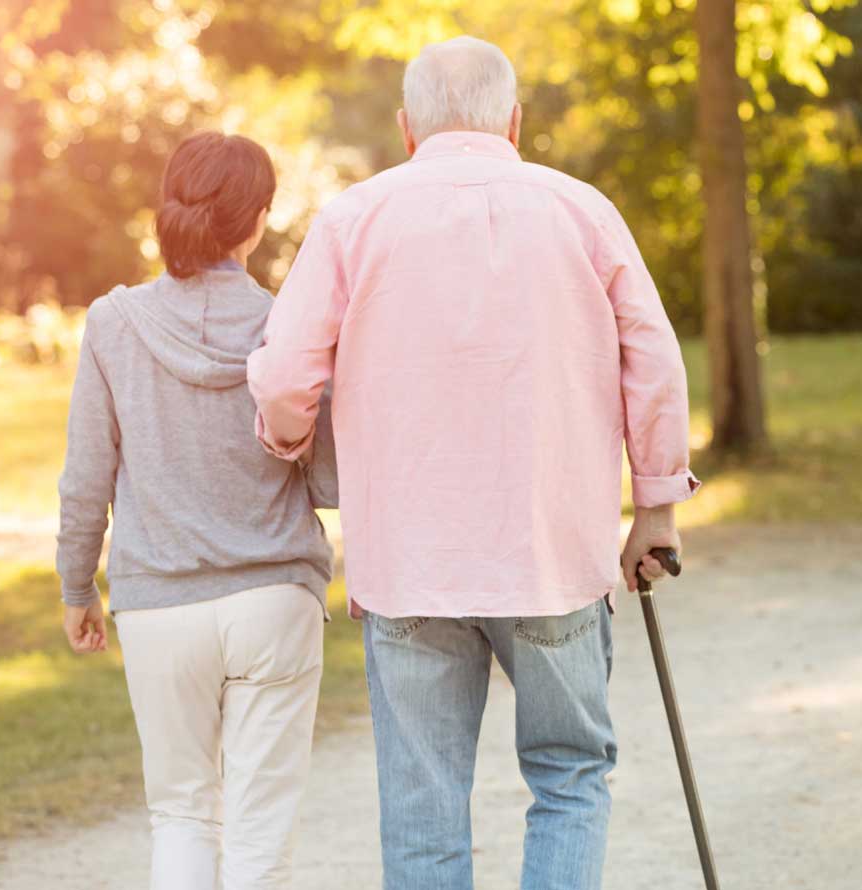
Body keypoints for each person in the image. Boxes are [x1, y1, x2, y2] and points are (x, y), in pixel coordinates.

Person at [247, 35, 700, 890]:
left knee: (424, 810)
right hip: (554, 555)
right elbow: (655, 358)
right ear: (516, 123)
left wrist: (290, 442)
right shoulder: (583, 211)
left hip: (409, 564)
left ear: (406, 127)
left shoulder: (354, 218)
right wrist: (658, 507)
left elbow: (281, 379)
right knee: (570, 778)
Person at [55, 131, 337, 890]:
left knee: (181, 816)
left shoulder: (114, 325)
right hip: (275, 602)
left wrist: (77, 588)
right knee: (259, 837)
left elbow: (86, 477)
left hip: (158, 606)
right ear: (256, 221)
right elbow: (331, 482)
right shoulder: (290, 328)